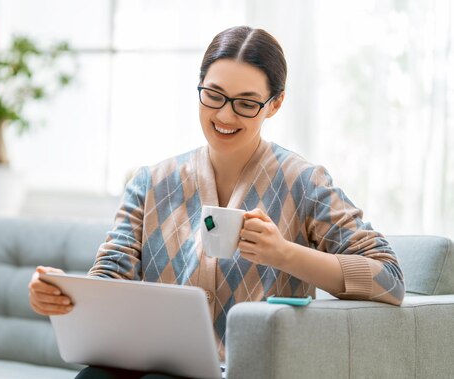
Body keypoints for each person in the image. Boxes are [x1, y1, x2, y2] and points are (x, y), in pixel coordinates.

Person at [28, 25, 405, 378]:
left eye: (246, 103)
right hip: (150, 364)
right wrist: (62, 293)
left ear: (275, 104)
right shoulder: (150, 183)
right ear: (200, 87)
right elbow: (109, 278)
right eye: (214, 95)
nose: (225, 115)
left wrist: (283, 254)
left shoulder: (305, 183)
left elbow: (389, 279)